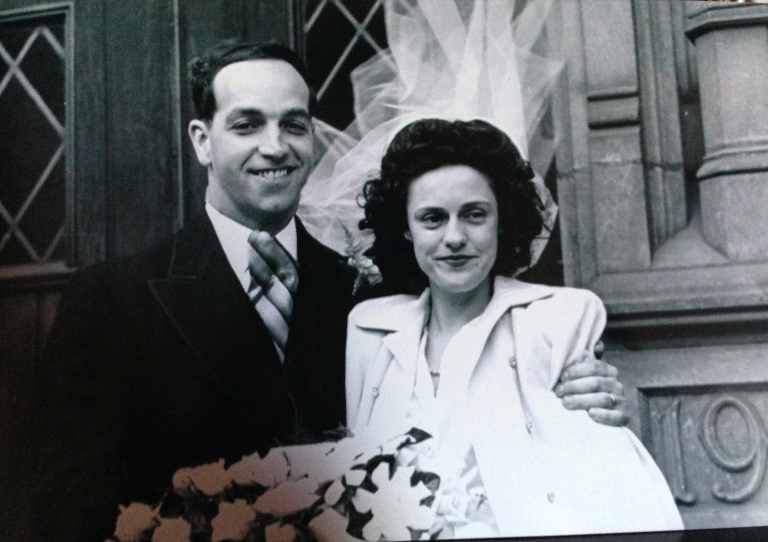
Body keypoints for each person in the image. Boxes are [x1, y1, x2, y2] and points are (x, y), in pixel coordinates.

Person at [32, 40, 627, 542]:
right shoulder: (111, 302)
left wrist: (580, 391)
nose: (275, 146)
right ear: (202, 140)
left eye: (294, 125)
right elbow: (70, 508)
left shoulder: (377, 296)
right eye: (247, 124)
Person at [346, 118, 684, 539]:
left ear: (501, 220)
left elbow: (592, 476)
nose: (455, 236)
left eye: (474, 215)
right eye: (432, 218)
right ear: (405, 228)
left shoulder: (553, 322)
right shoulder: (371, 331)